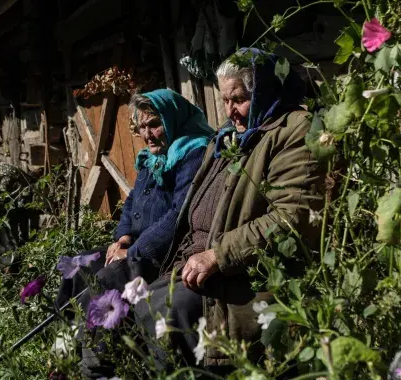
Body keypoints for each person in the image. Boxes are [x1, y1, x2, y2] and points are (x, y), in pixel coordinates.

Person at [132, 48, 325, 369]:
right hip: (196, 263)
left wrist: (218, 255)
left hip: (245, 275)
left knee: (171, 312)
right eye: (224, 100)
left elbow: (292, 217)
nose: (230, 111)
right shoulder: (226, 138)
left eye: (238, 99)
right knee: (138, 302)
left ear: (264, 90)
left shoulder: (294, 132)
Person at [54, 89, 213, 376]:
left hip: (162, 251)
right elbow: (130, 202)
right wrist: (123, 238)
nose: (148, 134)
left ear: (172, 118)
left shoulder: (193, 152)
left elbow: (178, 215)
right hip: (135, 244)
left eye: (154, 124)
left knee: (106, 278)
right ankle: (67, 347)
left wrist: (133, 251)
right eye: (142, 127)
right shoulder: (152, 158)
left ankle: (100, 366)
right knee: (78, 268)